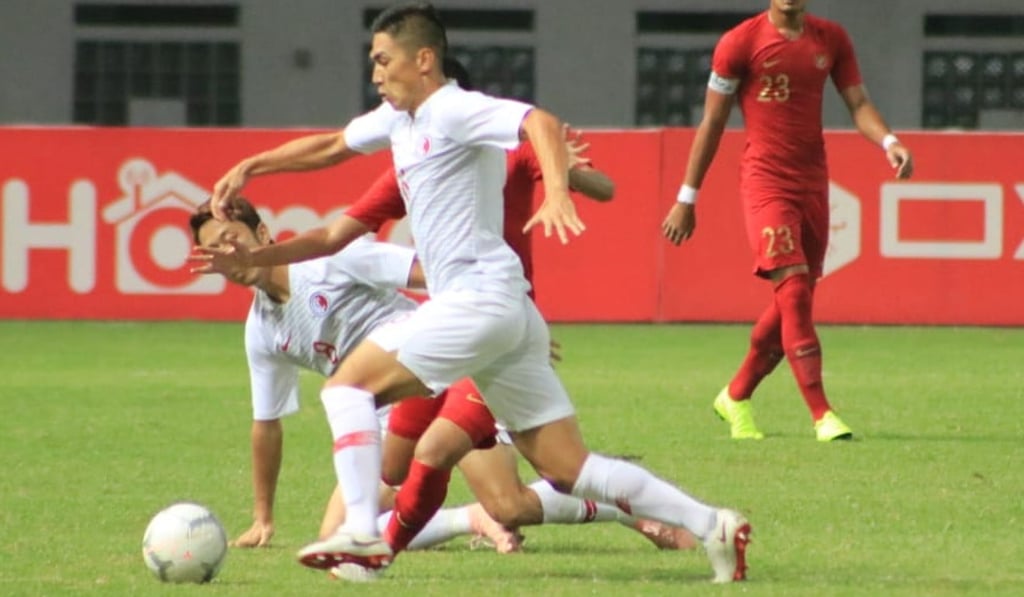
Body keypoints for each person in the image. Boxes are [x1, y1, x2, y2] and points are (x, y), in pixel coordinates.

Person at [193, 2, 750, 584]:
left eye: (384, 60)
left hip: (478, 299)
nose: (375, 73)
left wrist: (558, 191)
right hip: (503, 310)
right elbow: (332, 154)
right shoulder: (398, 123)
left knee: (346, 388)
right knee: (569, 468)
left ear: (425, 60)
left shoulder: (454, 109)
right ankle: (715, 524)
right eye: (372, 62)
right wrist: (252, 173)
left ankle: (363, 532)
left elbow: (541, 122)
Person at [191, 197, 692, 557]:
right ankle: (468, 518)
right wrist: (263, 516)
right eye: (214, 250)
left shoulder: (329, 260)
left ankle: (628, 506)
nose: (227, 256)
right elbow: (267, 425)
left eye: (231, 239)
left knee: (511, 501)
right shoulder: (261, 331)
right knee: (341, 535)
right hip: (383, 418)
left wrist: (506, 319)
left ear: (263, 235)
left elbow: (427, 270)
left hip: (444, 372)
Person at [661, 0, 913, 442]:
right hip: (765, 182)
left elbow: (858, 102)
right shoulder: (740, 42)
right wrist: (687, 197)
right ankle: (822, 413)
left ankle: (735, 396)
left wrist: (888, 140)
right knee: (794, 292)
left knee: (791, 302)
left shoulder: (830, 39)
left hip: (813, 184)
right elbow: (713, 121)